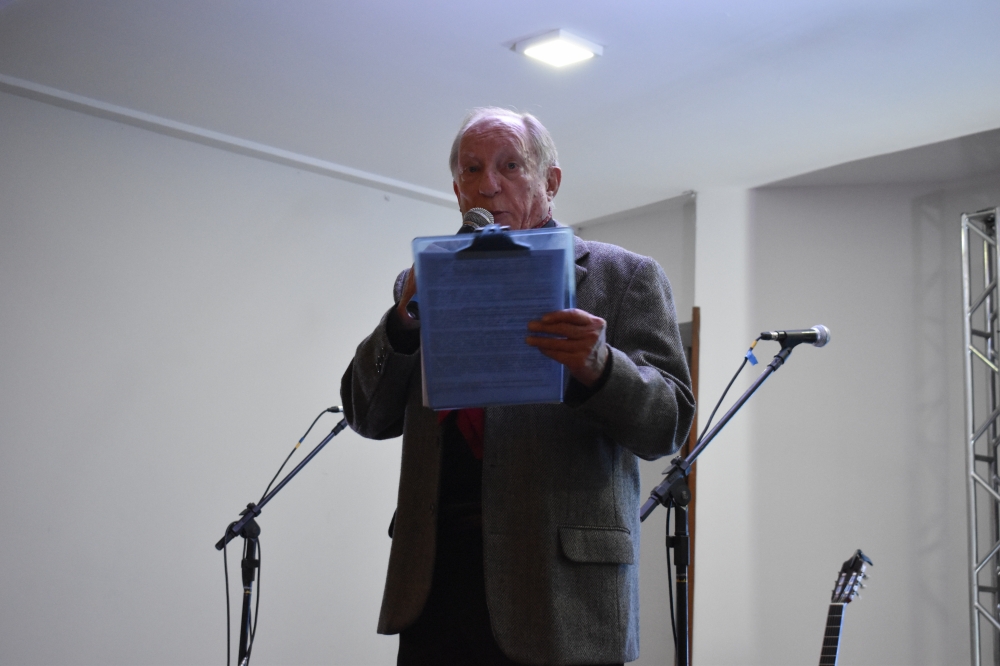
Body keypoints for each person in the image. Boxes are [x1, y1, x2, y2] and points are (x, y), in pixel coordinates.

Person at [340, 107, 695, 666]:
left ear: (550, 181)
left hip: (561, 593)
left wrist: (600, 368)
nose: (488, 184)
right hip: (435, 584)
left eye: (510, 165)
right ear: (457, 190)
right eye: (472, 169)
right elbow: (366, 415)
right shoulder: (420, 283)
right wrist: (401, 326)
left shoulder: (624, 277)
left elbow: (668, 423)